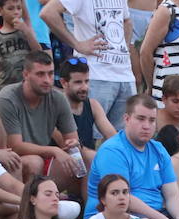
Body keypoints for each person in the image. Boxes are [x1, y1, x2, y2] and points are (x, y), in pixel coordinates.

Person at [40, 0, 137, 128]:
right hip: (95, 75)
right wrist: (77, 45)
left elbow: (127, 20)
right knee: (89, 135)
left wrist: (122, 50)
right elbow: (48, 13)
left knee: (124, 138)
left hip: (125, 75)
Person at [0, 52, 84, 189]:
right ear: (25, 75)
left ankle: (88, 207)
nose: (47, 80)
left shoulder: (58, 98)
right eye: (40, 74)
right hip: (8, 162)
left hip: (44, 159)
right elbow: (15, 146)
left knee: (87, 158)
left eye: (50, 73)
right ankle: (29, 206)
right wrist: (55, 150)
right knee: (34, 162)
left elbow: (73, 140)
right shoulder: (7, 99)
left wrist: (72, 145)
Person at [60, 58, 118, 164]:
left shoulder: (93, 105)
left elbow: (114, 138)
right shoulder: (55, 108)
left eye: (86, 81)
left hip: (89, 161)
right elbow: (72, 148)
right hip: (65, 162)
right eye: (78, 82)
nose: (84, 87)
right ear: (64, 83)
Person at [0, 0, 42, 88]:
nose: (16, 12)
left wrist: (26, 31)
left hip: (27, 85)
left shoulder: (26, 31)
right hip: (5, 85)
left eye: (19, 8)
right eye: (10, 9)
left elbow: (38, 52)